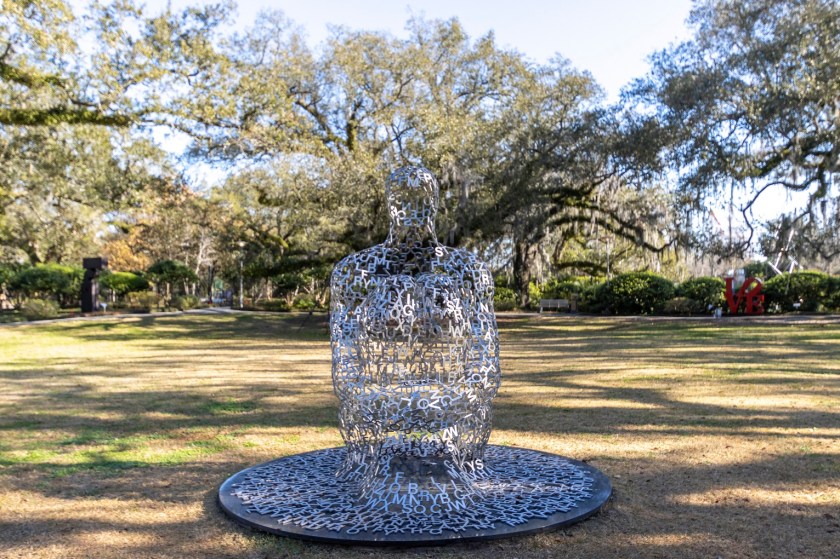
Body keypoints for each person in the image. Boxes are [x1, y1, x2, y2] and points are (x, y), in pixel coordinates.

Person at [329, 166, 501, 503]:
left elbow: (486, 349)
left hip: (454, 394)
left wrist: (473, 389)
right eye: (402, 200)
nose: (411, 208)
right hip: (376, 394)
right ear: (390, 204)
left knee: (468, 406)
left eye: (421, 199)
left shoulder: (467, 269)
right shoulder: (354, 270)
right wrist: (360, 392)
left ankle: (468, 463)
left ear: (435, 203)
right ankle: (363, 466)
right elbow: (344, 351)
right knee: (366, 405)